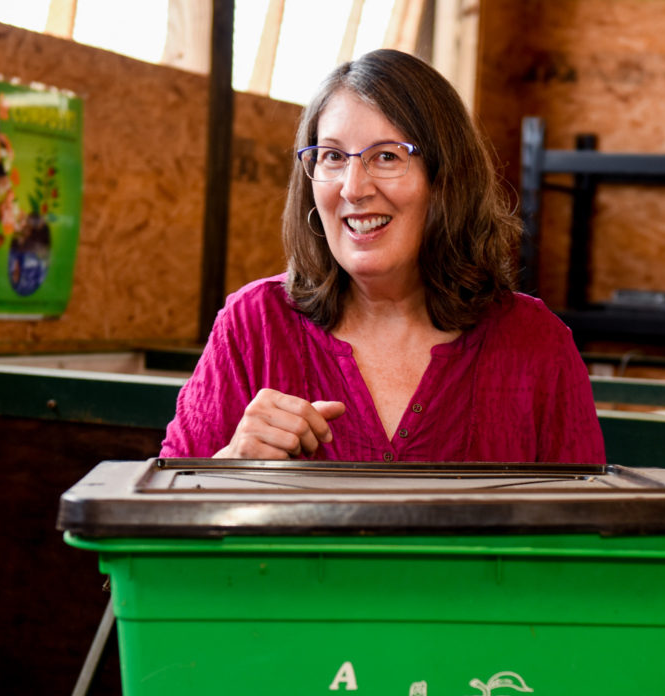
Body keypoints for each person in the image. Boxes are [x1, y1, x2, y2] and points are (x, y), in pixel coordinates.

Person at [160, 48, 604, 464]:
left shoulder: (536, 343)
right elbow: (160, 521)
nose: (353, 188)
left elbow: (588, 535)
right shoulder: (252, 324)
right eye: (332, 156)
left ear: (447, 179)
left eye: (387, 156)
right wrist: (228, 466)